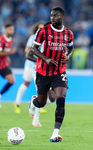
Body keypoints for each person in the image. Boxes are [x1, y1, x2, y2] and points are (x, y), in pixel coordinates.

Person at [27, 7, 74, 142]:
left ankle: (55, 134)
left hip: (59, 70)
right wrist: (46, 59)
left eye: (55, 16)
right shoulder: (43, 31)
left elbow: (71, 48)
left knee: (60, 97)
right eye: (51, 15)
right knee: (41, 102)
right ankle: (33, 102)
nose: (52, 18)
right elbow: (33, 49)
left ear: (62, 17)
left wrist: (67, 56)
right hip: (43, 71)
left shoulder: (68, 33)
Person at [14, 22, 55, 127]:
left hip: (45, 69)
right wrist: (41, 60)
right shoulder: (34, 37)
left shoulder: (49, 39)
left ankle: (34, 102)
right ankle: (19, 103)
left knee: (51, 97)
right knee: (28, 85)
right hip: (32, 67)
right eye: (40, 28)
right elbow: (28, 52)